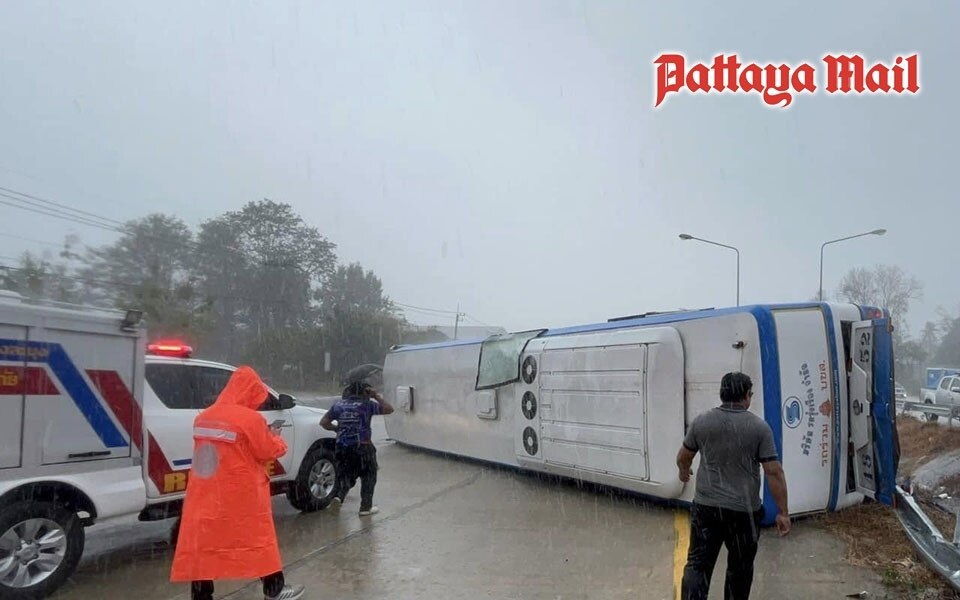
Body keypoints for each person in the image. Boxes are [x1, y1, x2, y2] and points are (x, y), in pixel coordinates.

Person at [170, 366, 304, 600]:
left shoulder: (204, 416)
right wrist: (275, 436)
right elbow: (268, 451)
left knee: (204, 544)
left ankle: (202, 596)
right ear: (251, 392)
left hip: (206, 493)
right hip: (242, 494)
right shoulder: (250, 418)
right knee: (258, 540)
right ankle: (275, 590)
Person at [676, 371, 791, 600]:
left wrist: (683, 471)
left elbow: (684, 455)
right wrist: (783, 512)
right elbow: (773, 472)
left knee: (698, 565)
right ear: (747, 396)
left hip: (707, 509)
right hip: (743, 513)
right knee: (740, 568)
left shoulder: (703, 421)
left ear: (722, 393)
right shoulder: (759, 428)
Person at [320, 379, 394, 516]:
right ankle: (365, 508)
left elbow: (323, 422)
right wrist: (376, 396)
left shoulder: (338, 405)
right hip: (363, 447)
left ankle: (339, 496)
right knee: (369, 475)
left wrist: (337, 429)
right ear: (366, 392)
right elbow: (389, 409)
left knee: (347, 475)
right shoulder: (367, 405)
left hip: (342, 447)